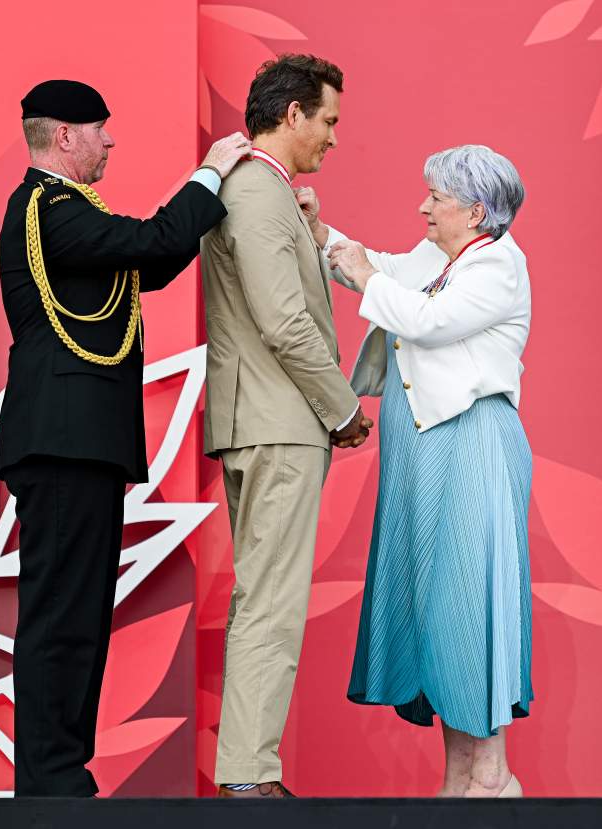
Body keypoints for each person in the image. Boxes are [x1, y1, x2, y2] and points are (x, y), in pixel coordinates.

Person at [0, 78, 251, 798]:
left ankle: (60, 774)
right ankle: (49, 781)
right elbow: (151, 239)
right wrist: (210, 171)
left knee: (78, 616)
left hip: (84, 443)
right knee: (60, 616)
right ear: (64, 136)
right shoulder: (47, 206)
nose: (110, 141)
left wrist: (205, 193)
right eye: (101, 129)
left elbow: (157, 259)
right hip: (64, 441)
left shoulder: (70, 214)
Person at [313, 144, 533, 798]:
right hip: (422, 450)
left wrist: (367, 274)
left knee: (474, 598)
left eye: (435, 197)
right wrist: (321, 232)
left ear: (473, 210)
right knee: (438, 609)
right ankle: (460, 774)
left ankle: (492, 774)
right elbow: (376, 268)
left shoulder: (498, 265)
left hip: (472, 443)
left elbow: (431, 320)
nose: (423, 206)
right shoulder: (444, 257)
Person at [199, 54, 373, 799]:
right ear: (293, 114)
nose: (334, 138)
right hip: (280, 422)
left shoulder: (259, 192)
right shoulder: (258, 192)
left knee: (261, 595)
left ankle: (248, 772)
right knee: (272, 600)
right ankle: (248, 777)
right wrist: (343, 407)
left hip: (256, 418)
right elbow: (285, 321)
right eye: (328, 120)